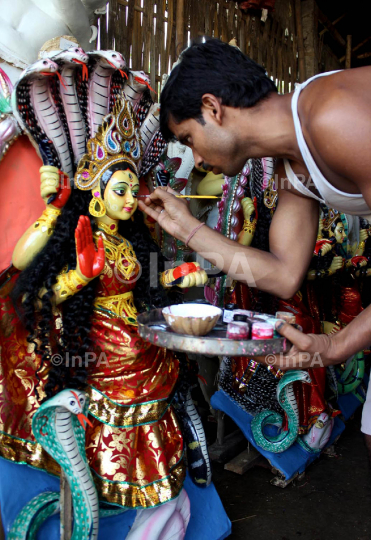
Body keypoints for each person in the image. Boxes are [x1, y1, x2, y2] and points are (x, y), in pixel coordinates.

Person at [137, 38, 371, 459]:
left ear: (213, 108)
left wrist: (334, 347)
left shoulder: (335, 118)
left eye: (188, 138)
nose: (197, 157)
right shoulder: (294, 163)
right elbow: (283, 274)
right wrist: (186, 227)